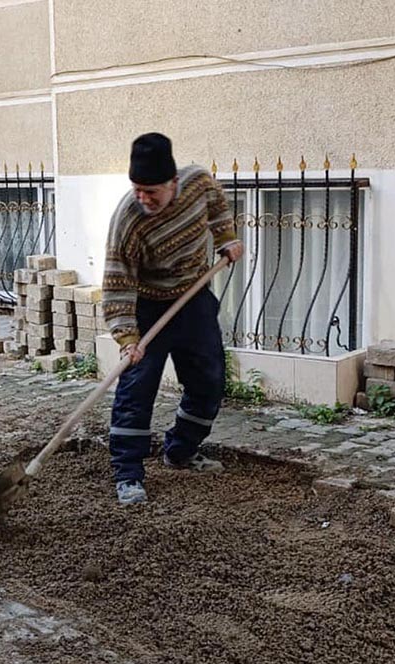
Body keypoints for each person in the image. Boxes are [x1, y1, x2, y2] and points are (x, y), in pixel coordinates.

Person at [104, 133, 244, 505]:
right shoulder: (128, 221)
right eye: (137, 189)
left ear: (173, 183)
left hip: (193, 298)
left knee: (209, 380)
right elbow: (117, 284)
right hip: (148, 306)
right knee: (137, 391)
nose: (143, 198)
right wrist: (127, 338)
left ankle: (181, 450)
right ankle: (128, 475)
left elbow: (217, 205)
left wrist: (226, 238)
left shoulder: (198, 182)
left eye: (151, 191)